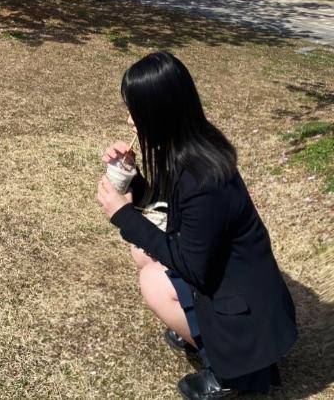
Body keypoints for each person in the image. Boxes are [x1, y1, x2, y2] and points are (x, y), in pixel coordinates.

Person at [96, 51, 297, 399]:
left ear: (158, 113)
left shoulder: (202, 179)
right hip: (238, 288)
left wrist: (122, 214)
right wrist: (133, 180)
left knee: (152, 281)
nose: (130, 121)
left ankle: (231, 371)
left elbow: (193, 266)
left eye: (135, 111)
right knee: (143, 254)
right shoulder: (194, 145)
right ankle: (200, 328)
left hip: (249, 316)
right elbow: (176, 208)